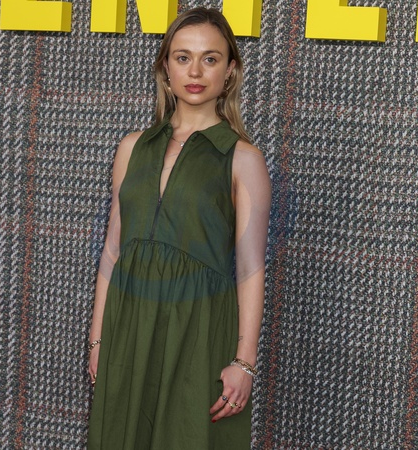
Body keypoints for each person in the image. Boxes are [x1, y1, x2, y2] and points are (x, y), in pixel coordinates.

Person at [87, 7, 271, 449]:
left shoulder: (243, 159)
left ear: (229, 71)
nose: (195, 71)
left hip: (198, 331)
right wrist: (97, 340)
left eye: (210, 58)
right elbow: (112, 249)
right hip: (129, 325)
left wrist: (244, 362)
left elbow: (250, 268)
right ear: (165, 68)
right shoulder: (132, 147)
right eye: (183, 57)